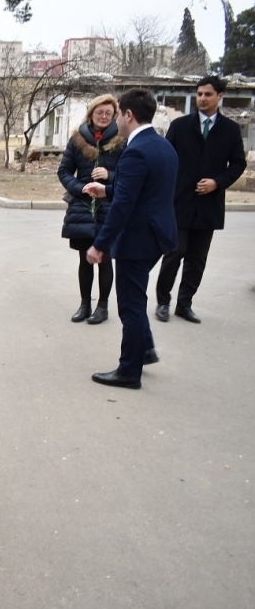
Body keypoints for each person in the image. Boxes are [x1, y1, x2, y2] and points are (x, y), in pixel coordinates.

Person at [84, 88, 178, 390]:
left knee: (130, 305)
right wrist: (107, 190)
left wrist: (100, 244)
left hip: (138, 239)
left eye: (119, 115)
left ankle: (129, 371)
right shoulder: (163, 146)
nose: (116, 121)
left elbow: (125, 206)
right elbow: (145, 192)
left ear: (128, 115)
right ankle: (145, 349)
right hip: (158, 235)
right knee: (136, 296)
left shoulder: (136, 150)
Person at [154, 76, 246, 324]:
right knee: (175, 252)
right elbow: (165, 157)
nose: (202, 99)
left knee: (197, 258)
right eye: (199, 94)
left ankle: (185, 305)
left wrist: (218, 182)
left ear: (220, 96)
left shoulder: (230, 130)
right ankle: (163, 301)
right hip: (179, 202)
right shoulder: (181, 126)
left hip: (209, 205)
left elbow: (238, 163)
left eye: (208, 94)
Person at [57, 94, 125, 325]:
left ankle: (102, 306)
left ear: (114, 115)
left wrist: (110, 176)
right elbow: (64, 171)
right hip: (82, 207)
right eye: (100, 112)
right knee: (85, 258)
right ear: (91, 114)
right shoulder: (77, 139)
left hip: (110, 206)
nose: (104, 117)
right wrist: (80, 187)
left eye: (108, 113)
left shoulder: (122, 139)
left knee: (104, 258)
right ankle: (84, 304)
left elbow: (131, 174)